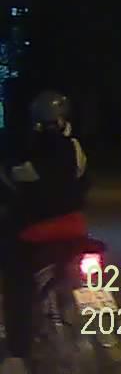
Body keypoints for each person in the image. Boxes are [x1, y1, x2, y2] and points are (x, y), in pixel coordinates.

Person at [0, 91, 90, 373]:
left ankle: (17, 352)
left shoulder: (29, 149)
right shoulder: (75, 147)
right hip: (74, 226)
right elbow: (83, 184)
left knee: (16, 281)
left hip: (37, 230)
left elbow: (15, 186)